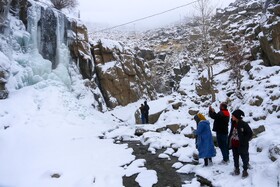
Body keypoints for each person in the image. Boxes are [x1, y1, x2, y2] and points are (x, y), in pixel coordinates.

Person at [229, 109, 253, 178]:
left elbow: (250, 134)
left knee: (244, 158)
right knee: (235, 158)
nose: (232, 117)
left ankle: (245, 171)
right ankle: (237, 169)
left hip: (242, 145)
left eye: (233, 116)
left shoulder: (244, 124)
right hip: (234, 144)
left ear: (236, 116)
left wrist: (244, 141)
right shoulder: (233, 123)